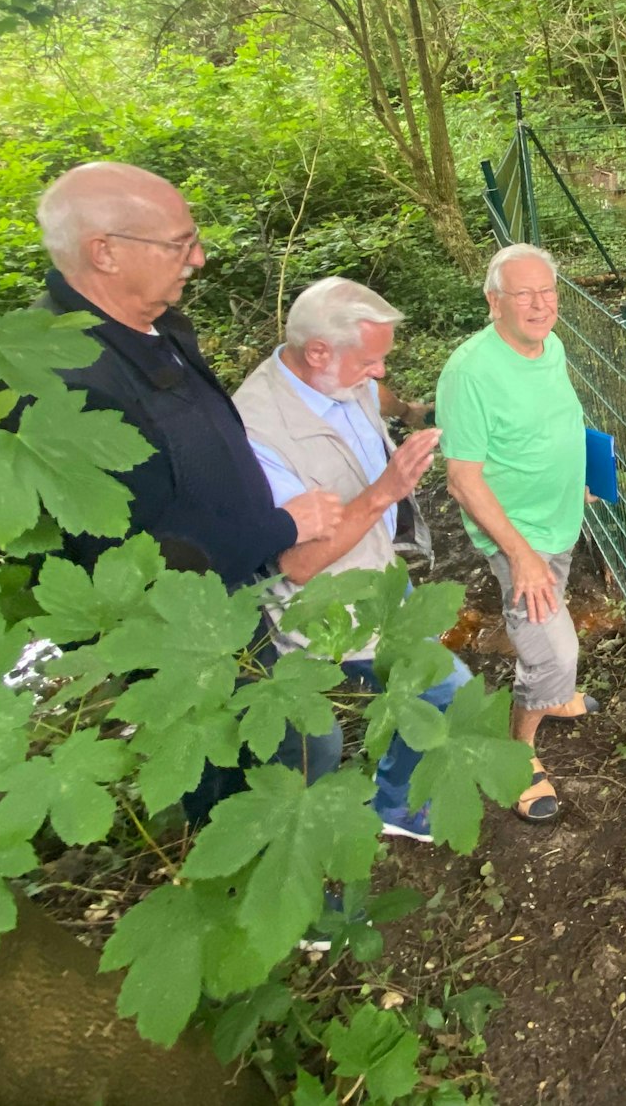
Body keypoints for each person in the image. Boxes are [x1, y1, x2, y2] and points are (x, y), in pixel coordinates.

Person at [32, 161, 346, 809]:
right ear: (104, 253)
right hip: (180, 626)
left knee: (300, 746)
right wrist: (285, 524)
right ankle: (261, 861)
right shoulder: (65, 379)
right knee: (273, 758)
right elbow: (143, 556)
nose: (198, 259)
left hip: (234, 585)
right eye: (179, 244)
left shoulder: (155, 327)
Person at [233, 277, 475, 842]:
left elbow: (375, 393)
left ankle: (392, 790)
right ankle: (390, 807)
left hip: (377, 574)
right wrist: (385, 491)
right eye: (369, 361)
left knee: (424, 690)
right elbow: (297, 565)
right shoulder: (257, 433)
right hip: (326, 607)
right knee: (445, 691)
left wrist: (408, 411)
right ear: (318, 351)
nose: (379, 372)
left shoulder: (341, 376)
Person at [436, 243, 596, 824]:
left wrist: (581, 476)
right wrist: (522, 555)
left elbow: (553, 422)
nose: (539, 304)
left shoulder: (549, 346)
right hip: (517, 537)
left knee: (545, 629)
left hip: (559, 518)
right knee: (555, 652)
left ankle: (555, 692)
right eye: (523, 293)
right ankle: (519, 750)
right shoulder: (470, 373)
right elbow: (462, 480)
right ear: (493, 301)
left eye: (547, 291)